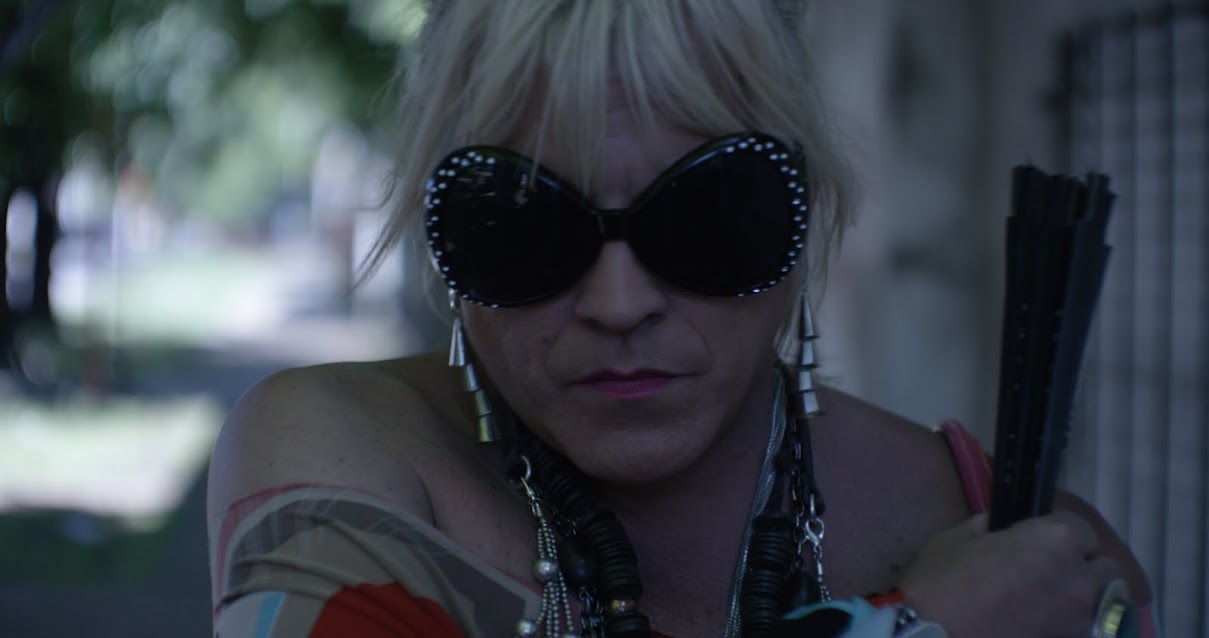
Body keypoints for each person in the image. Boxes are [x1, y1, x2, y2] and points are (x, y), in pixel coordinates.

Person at [206, 1, 1157, 637]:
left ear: (806, 218)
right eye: (524, 225)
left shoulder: (1024, 548)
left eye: (708, 215)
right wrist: (912, 626)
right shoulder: (341, 450)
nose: (619, 304)